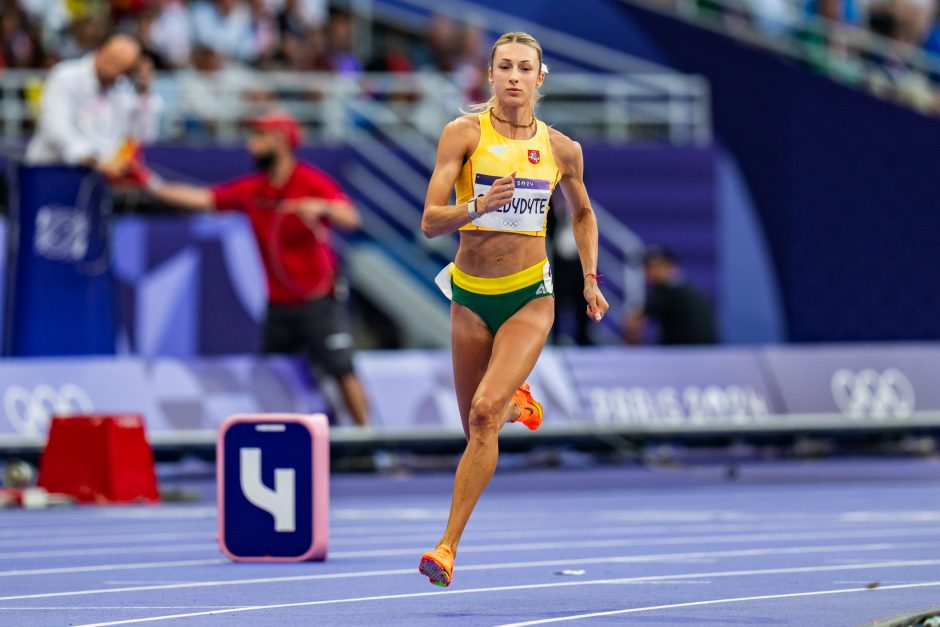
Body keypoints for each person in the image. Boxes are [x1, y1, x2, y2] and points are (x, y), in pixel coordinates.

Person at [417, 32, 609, 587]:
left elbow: (584, 215)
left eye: (526, 68)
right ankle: (517, 403)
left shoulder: (562, 150)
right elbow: (430, 220)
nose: (515, 77)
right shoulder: (462, 134)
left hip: (530, 295)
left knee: (481, 416)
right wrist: (478, 205)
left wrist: (591, 280)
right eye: (505, 67)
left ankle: (446, 547)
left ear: (540, 78)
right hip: (470, 295)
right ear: (491, 74)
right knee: (475, 424)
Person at [145, 111, 371, 427]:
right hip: (279, 307)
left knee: (342, 369)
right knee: (270, 376)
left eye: (259, 136)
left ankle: (372, 444)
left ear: (280, 141)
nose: (251, 144)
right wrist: (150, 183)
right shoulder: (253, 189)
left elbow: (351, 218)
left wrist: (321, 207)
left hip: (319, 300)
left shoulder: (310, 181)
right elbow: (202, 198)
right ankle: (283, 441)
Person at [25, 32, 162, 176]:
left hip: (99, 178)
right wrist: (94, 161)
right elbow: (55, 129)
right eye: (113, 60)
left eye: (123, 67)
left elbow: (142, 137)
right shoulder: (65, 75)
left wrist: (144, 91)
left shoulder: (123, 89)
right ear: (100, 49)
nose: (114, 69)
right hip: (51, 170)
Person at [623, 246, 717, 346]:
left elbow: (633, 322)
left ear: (670, 266)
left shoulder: (669, 293)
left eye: (656, 267)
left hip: (685, 353)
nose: (649, 272)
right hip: (699, 351)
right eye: (647, 267)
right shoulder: (685, 289)